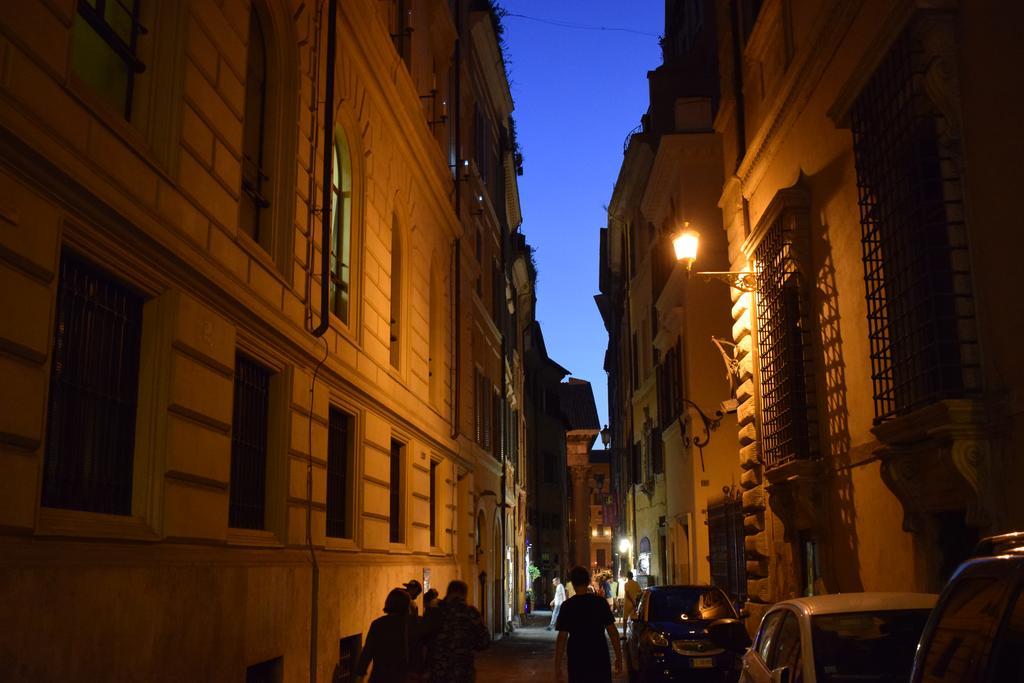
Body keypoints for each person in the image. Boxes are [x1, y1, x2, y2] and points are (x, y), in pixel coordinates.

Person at [554, 565, 622, 683]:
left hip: (577, 658)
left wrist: (557, 666)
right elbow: (613, 632)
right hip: (599, 656)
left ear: (572, 583)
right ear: (588, 581)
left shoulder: (567, 606)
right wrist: (619, 657)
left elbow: (562, 638)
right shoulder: (600, 603)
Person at [422, 579, 490, 683]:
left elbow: (423, 640)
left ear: (448, 592)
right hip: (462, 672)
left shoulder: (434, 612)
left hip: (438, 672)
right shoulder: (471, 613)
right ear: (464, 594)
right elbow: (484, 642)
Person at [356, 588, 422, 682]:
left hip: (380, 676)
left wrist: (360, 673)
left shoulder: (377, 624)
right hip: (402, 677)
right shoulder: (411, 624)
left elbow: (367, 651)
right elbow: (416, 651)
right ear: (406, 605)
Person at [622, 571, 642, 635]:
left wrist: (632, 601)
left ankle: (624, 634)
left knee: (625, 619)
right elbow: (640, 592)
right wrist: (635, 600)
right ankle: (635, 633)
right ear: (632, 576)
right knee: (634, 619)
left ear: (627, 577)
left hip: (627, 603)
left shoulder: (626, 584)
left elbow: (627, 594)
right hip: (634, 604)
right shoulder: (636, 583)